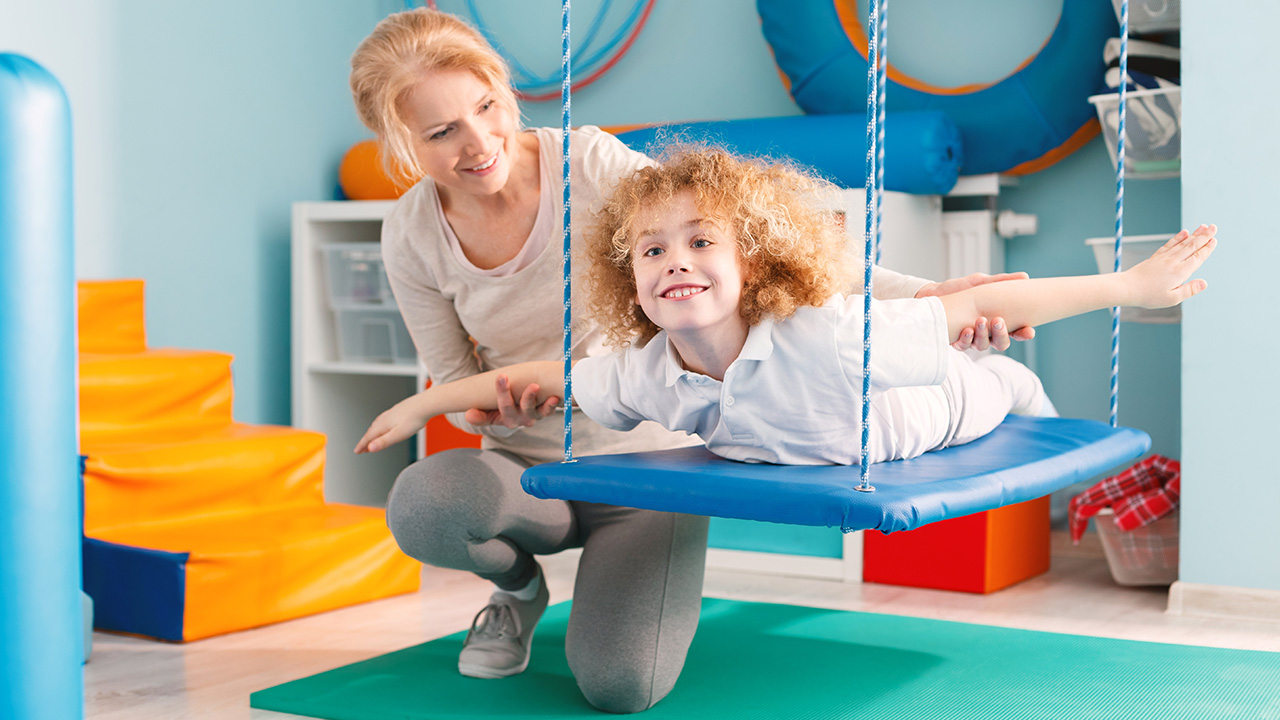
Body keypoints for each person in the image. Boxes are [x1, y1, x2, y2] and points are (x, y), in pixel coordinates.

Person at [349, 8, 1033, 712]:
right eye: (442, 132)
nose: (480, 141)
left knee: (620, 687)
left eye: (487, 107)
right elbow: (456, 382)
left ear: (503, 90)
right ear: (400, 142)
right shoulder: (410, 234)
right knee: (425, 505)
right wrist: (486, 409)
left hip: (649, 466)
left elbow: (760, 248)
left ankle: (621, 589)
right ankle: (519, 591)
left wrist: (927, 292)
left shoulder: (585, 163)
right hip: (527, 470)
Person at [356, 148, 1216, 468]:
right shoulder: (648, 373)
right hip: (824, 432)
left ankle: (1019, 391)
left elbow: (985, 300)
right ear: (630, 279)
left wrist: (1131, 287)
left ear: (752, 263)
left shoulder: (825, 334)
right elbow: (541, 374)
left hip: (930, 413)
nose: (675, 264)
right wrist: (423, 401)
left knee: (988, 381)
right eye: (653, 251)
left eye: (702, 244)